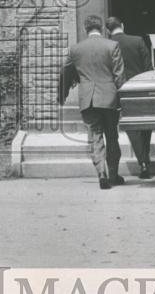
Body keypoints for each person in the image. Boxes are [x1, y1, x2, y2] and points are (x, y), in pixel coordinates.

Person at [58, 14, 127, 189]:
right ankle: (113, 174)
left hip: (87, 99)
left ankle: (101, 173)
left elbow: (65, 73)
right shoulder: (112, 45)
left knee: (95, 136)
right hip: (109, 98)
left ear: (84, 29)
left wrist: (62, 94)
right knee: (112, 136)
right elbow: (119, 76)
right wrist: (124, 98)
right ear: (102, 28)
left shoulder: (76, 49)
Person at [106, 16, 154, 179]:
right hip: (140, 87)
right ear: (123, 25)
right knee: (146, 124)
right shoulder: (137, 41)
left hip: (119, 89)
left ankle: (143, 162)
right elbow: (148, 66)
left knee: (131, 126)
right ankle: (145, 159)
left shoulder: (108, 45)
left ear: (107, 30)